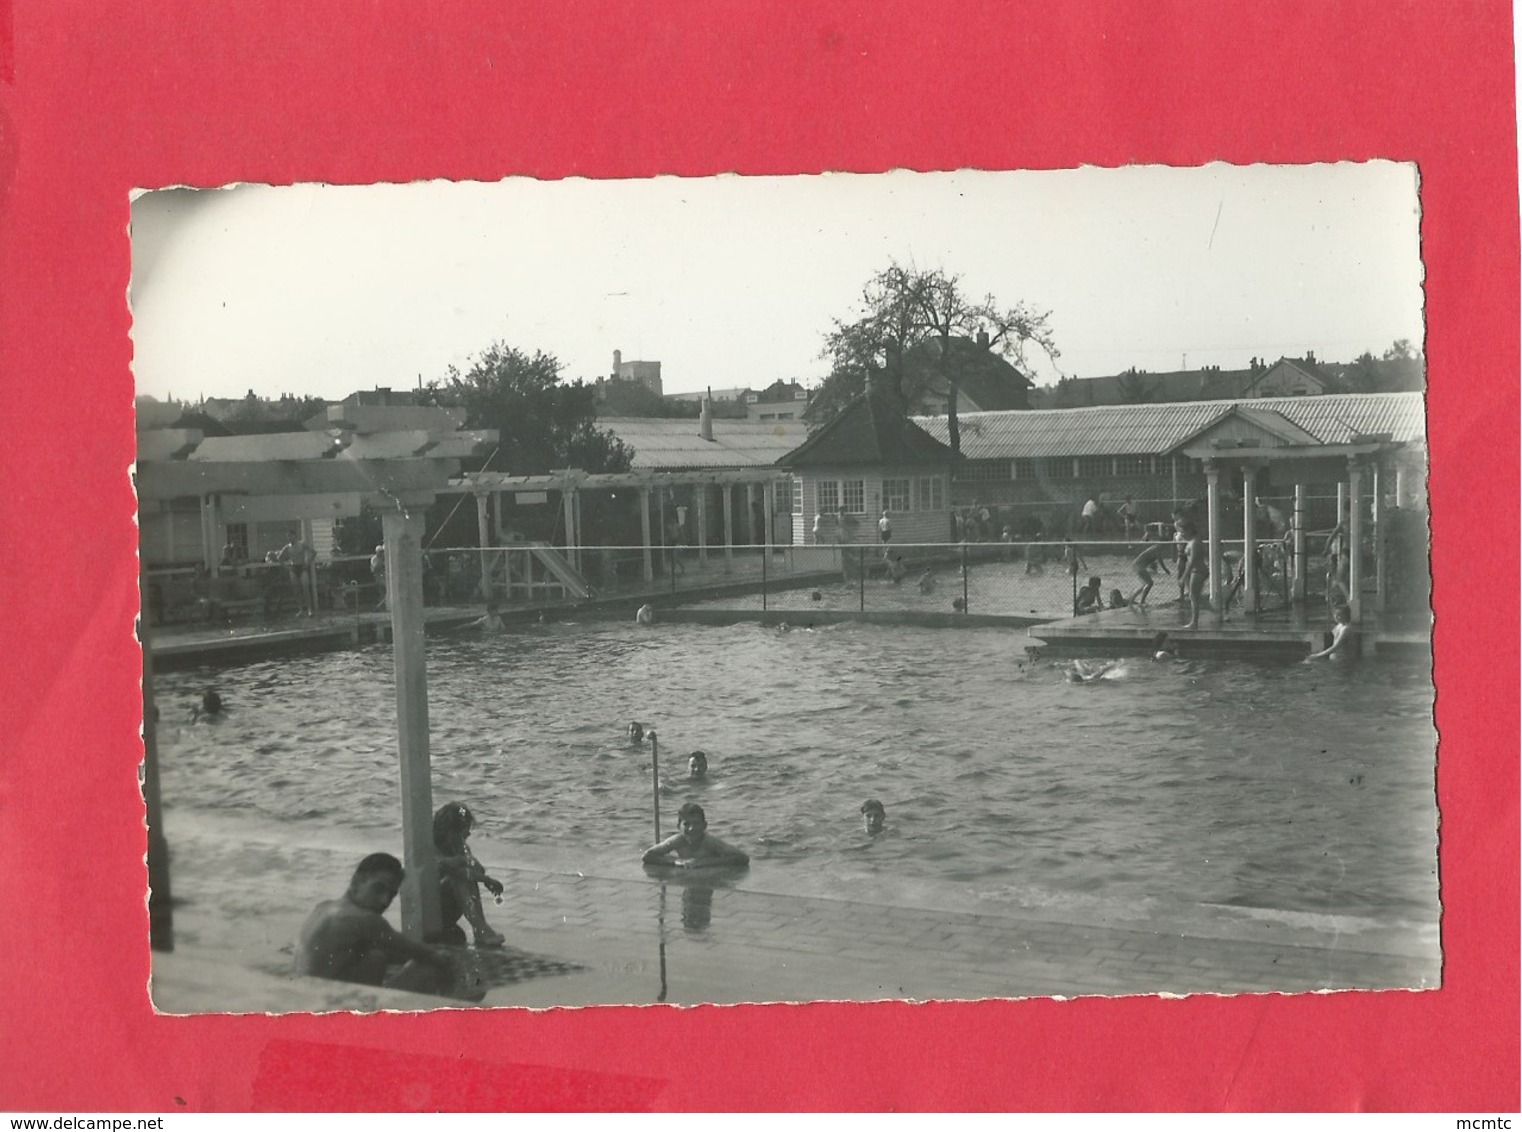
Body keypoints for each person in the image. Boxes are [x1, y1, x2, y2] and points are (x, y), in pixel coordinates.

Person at [296, 852, 458, 994]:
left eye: (391, 895)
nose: (384, 900)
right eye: (378, 889)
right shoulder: (366, 919)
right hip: (332, 1007)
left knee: (375, 958)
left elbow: (396, 948)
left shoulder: (324, 907)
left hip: (308, 998)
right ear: (357, 881)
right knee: (429, 968)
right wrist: (441, 956)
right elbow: (426, 954)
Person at [430, 802, 505, 948]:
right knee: (458, 879)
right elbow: (448, 868)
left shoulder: (458, 846)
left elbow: (478, 869)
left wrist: (466, 859)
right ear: (451, 832)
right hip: (432, 909)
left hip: (448, 909)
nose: (469, 833)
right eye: (466, 829)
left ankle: (480, 928)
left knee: (468, 878)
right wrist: (463, 862)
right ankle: (480, 927)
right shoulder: (431, 846)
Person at [642, 803, 749, 868]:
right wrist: (677, 861)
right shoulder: (677, 840)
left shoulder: (710, 842)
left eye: (696, 824)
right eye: (686, 824)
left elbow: (742, 858)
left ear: (704, 826)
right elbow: (648, 855)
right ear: (678, 826)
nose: (691, 828)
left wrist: (704, 862)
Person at [1179, 521, 1208, 629]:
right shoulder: (1191, 541)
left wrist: (1183, 576)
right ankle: (1218, 612)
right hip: (1196, 571)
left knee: (1193, 596)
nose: (1182, 535)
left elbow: (1192, 561)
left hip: (1198, 571)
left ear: (1189, 531)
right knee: (1196, 596)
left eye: (1183, 532)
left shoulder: (1195, 542)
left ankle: (1194, 622)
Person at [1128, 541, 1174, 606]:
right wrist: (1166, 570)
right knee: (1149, 583)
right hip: (1139, 566)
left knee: (1145, 584)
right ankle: (1141, 601)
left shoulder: (1155, 548)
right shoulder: (1157, 549)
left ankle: (1131, 600)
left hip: (1137, 565)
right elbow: (1161, 562)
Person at [369, 544, 387, 610]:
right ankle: (380, 607)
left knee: (386, 593)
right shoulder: (374, 559)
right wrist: (381, 562)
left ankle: (384, 606)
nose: (381, 553)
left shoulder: (386, 558)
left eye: (382, 551)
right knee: (382, 593)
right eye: (380, 552)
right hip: (378, 577)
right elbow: (374, 569)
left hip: (385, 577)